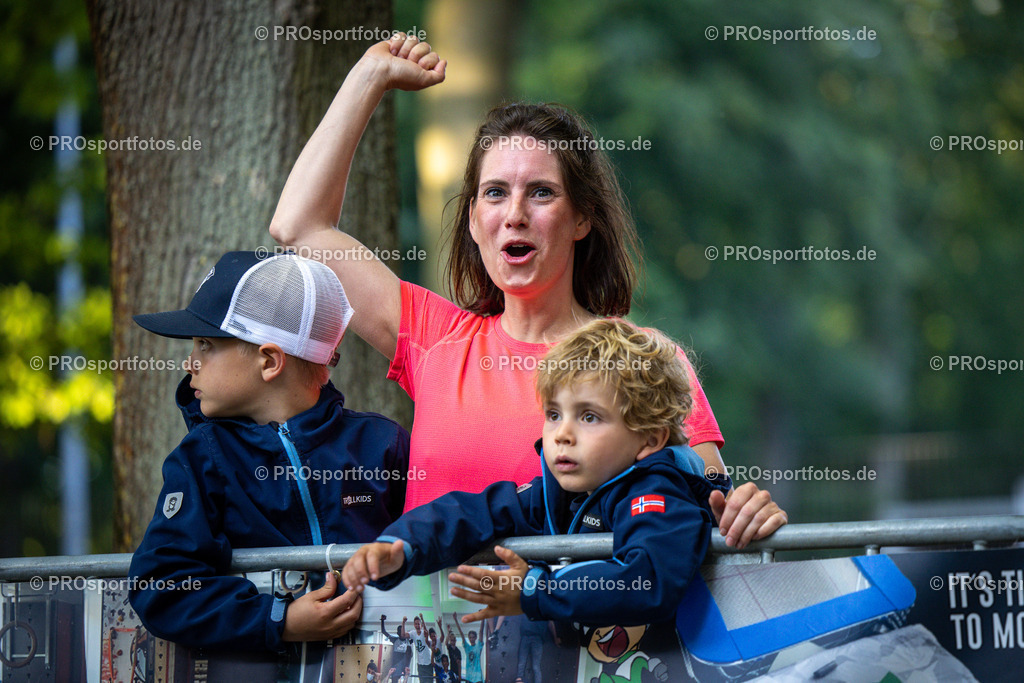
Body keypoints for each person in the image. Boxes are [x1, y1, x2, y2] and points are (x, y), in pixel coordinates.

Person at [268, 34, 785, 549]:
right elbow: (299, 225)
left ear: (582, 217)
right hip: (431, 630)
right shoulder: (434, 337)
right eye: (495, 193)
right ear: (473, 220)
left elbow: (710, 508)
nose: (514, 214)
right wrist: (368, 77)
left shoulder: (646, 360)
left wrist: (743, 512)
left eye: (541, 193)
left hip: (573, 626)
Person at [342, 320, 731, 630]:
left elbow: (646, 580)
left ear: (649, 438)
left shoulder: (660, 494)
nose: (561, 433)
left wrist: (533, 590)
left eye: (589, 416)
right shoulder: (555, 492)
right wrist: (399, 548)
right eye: (554, 414)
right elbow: (475, 511)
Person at [127, 251, 410, 651]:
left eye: (206, 344)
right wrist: (279, 620)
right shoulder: (201, 459)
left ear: (269, 361)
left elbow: (438, 544)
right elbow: (162, 587)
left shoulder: (383, 444)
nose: (191, 362)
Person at [380, 614, 414, 682]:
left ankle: (406, 670)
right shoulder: (395, 639)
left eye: (403, 632)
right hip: (396, 664)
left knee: (409, 648)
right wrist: (382, 620)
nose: (402, 633)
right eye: (400, 632)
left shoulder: (408, 641)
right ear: (398, 633)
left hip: (404, 664)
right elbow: (383, 631)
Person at [453, 617, 483, 683]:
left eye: (473, 637)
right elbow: (461, 634)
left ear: (475, 638)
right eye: (470, 637)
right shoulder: (467, 647)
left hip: (477, 676)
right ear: (468, 638)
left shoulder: (478, 647)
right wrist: (456, 620)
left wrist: (482, 618)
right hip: (469, 676)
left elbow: (481, 632)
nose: (471, 639)